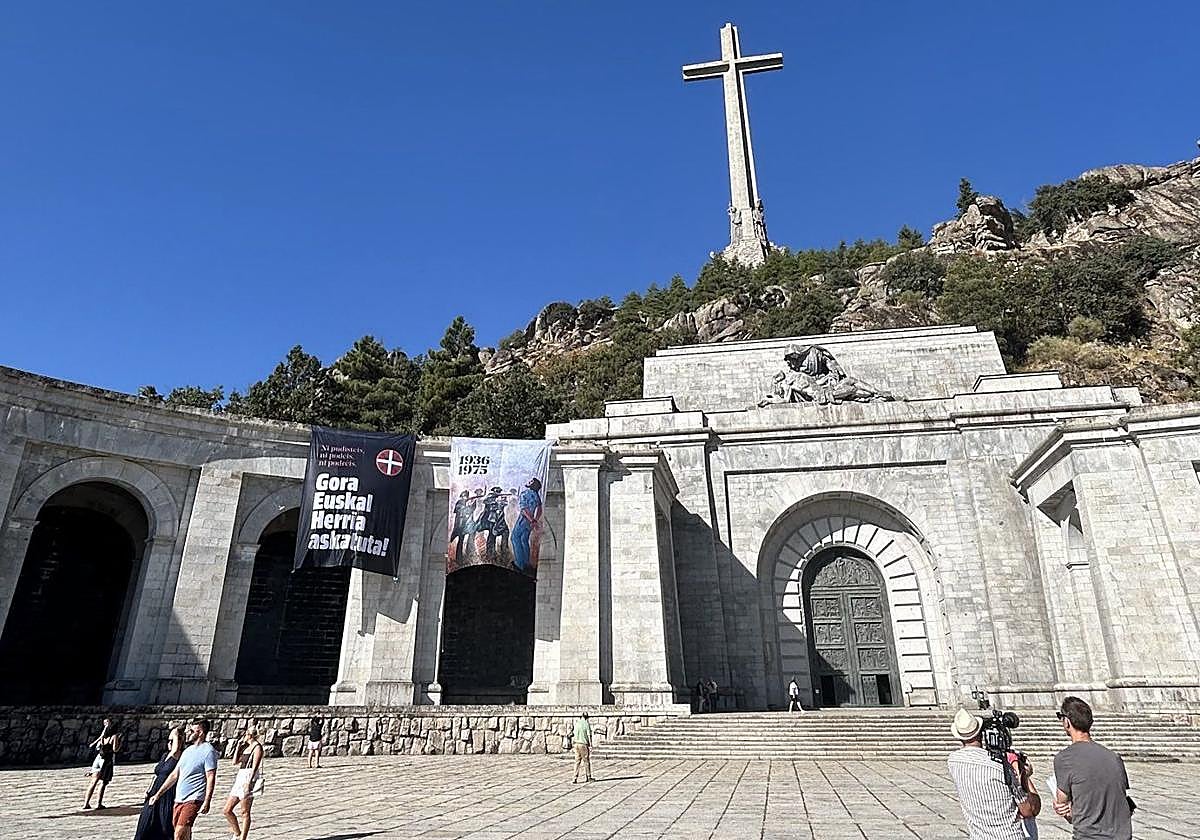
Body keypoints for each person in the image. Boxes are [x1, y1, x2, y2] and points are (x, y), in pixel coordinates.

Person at [948, 708, 1040, 840]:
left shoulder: (953, 761)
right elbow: (1028, 810)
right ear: (981, 732)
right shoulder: (999, 766)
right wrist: (1024, 776)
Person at [1052, 696, 1133, 840]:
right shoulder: (1114, 757)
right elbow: (1123, 799)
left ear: (1067, 722)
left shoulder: (1064, 759)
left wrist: (1063, 809)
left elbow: (1066, 810)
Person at [149, 717, 217, 840]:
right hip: (179, 798)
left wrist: (207, 801)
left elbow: (210, 777)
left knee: (179, 834)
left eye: (192, 731)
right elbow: (175, 775)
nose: (188, 733)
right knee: (184, 834)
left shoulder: (209, 751)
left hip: (194, 799)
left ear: (200, 732)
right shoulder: (187, 751)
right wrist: (158, 794)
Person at [133, 726, 185, 840]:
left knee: (164, 825)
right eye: (169, 741)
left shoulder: (178, 755)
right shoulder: (164, 755)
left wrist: (176, 733)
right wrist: (148, 790)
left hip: (167, 793)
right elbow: (156, 775)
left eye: (172, 741)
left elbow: (175, 749)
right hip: (154, 791)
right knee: (145, 822)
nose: (170, 743)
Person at [223, 727, 264, 840]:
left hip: (248, 777)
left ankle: (243, 838)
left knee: (244, 811)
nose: (244, 736)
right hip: (240, 777)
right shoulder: (246, 747)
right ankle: (237, 833)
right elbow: (234, 762)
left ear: (250, 735)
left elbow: (255, 766)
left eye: (246, 734)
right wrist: (238, 747)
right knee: (227, 810)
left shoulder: (257, 747)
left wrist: (249, 782)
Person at [83, 717, 121, 810]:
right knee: (103, 783)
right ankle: (98, 803)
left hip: (98, 758)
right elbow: (115, 749)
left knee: (93, 782)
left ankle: (86, 803)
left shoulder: (103, 736)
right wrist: (120, 743)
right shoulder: (114, 736)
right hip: (106, 760)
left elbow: (98, 745)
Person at [511, 477, 543, 573]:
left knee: (514, 538)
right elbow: (540, 509)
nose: (528, 482)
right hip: (531, 520)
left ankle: (519, 564)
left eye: (531, 481)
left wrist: (531, 520)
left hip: (524, 519)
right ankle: (526, 563)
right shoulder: (536, 495)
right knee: (524, 540)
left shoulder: (525, 493)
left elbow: (524, 509)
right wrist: (535, 520)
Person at [572, 712, 594, 783]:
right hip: (583, 744)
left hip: (576, 744)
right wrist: (590, 744)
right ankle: (588, 776)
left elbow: (574, 733)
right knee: (586, 761)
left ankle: (574, 778)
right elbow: (588, 735)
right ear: (587, 717)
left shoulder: (577, 723)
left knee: (577, 762)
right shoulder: (586, 724)